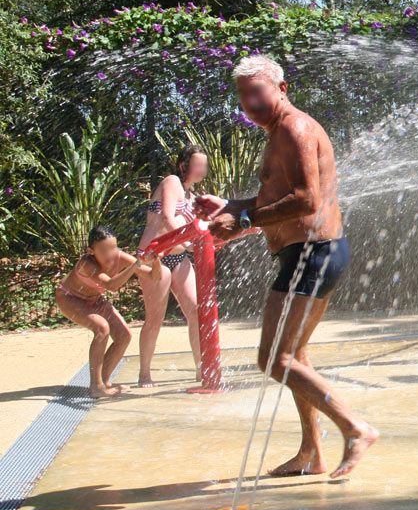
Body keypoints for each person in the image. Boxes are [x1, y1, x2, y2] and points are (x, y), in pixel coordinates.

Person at [198, 55, 377, 479]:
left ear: (281, 89)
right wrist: (233, 205)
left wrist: (242, 220)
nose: (249, 102)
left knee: (274, 360)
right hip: (306, 253)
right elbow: (277, 199)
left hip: (314, 253)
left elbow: (307, 200)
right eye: (242, 95)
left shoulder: (295, 128)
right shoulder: (278, 132)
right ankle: (311, 452)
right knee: (294, 356)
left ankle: (355, 428)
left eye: (256, 92)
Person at [55, 225, 163, 398]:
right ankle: (96, 386)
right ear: (91, 251)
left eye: (113, 248)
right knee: (102, 328)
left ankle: (103, 382)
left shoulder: (120, 257)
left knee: (124, 336)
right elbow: (111, 286)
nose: (109, 254)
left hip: (94, 298)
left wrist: (155, 260)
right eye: (103, 250)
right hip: (69, 298)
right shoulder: (87, 264)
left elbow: (154, 277)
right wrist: (135, 266)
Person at [135, 145, 208, 387]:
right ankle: (144, 374)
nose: (202, 170)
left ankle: (202, 371)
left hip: (178, 257)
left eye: (204, 166)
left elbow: (204, 227)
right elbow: (167, 218)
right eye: (197, 165)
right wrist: (189, 245)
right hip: (153, 257)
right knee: (155, 318)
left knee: (197, 313)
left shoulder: (192, 197)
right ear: (183, 165)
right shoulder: (171, 182)